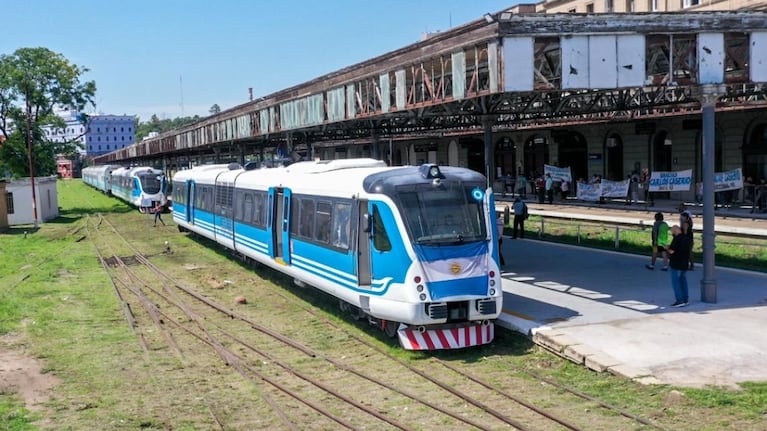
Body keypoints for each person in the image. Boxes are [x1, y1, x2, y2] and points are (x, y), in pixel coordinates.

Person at [666, 224, 692, 307]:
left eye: (672, 231)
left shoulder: (676, 239)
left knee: (676, 282)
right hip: (684, 263)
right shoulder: (687, 238)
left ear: (675, 231)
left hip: (676, 264)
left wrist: (666, 247)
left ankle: (680, 300)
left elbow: (671, 251)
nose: (672, 233)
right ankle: (685, 299)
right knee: (683, 281)